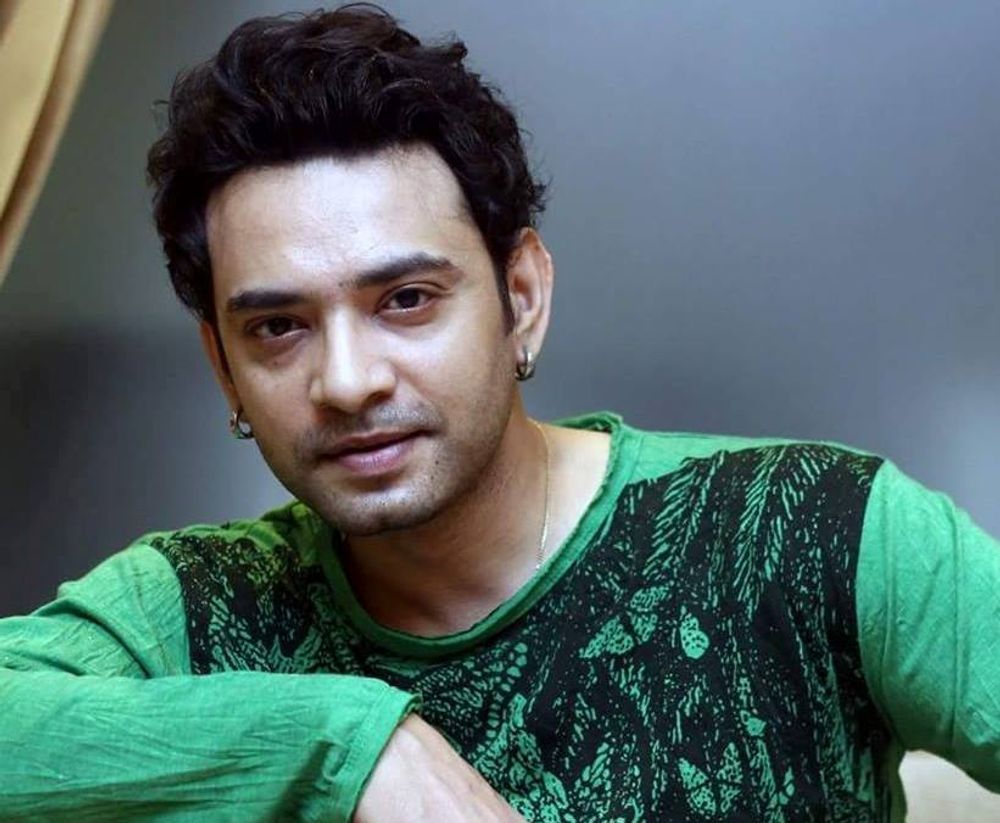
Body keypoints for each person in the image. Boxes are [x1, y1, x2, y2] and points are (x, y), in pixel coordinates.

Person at [1, 5, 998, 822]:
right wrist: (350, 749)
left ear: (521, 296)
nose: (346, 381)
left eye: (406, 300)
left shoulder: (816, 530)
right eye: (277, 327)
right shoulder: (196, 605)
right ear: (223, 366)